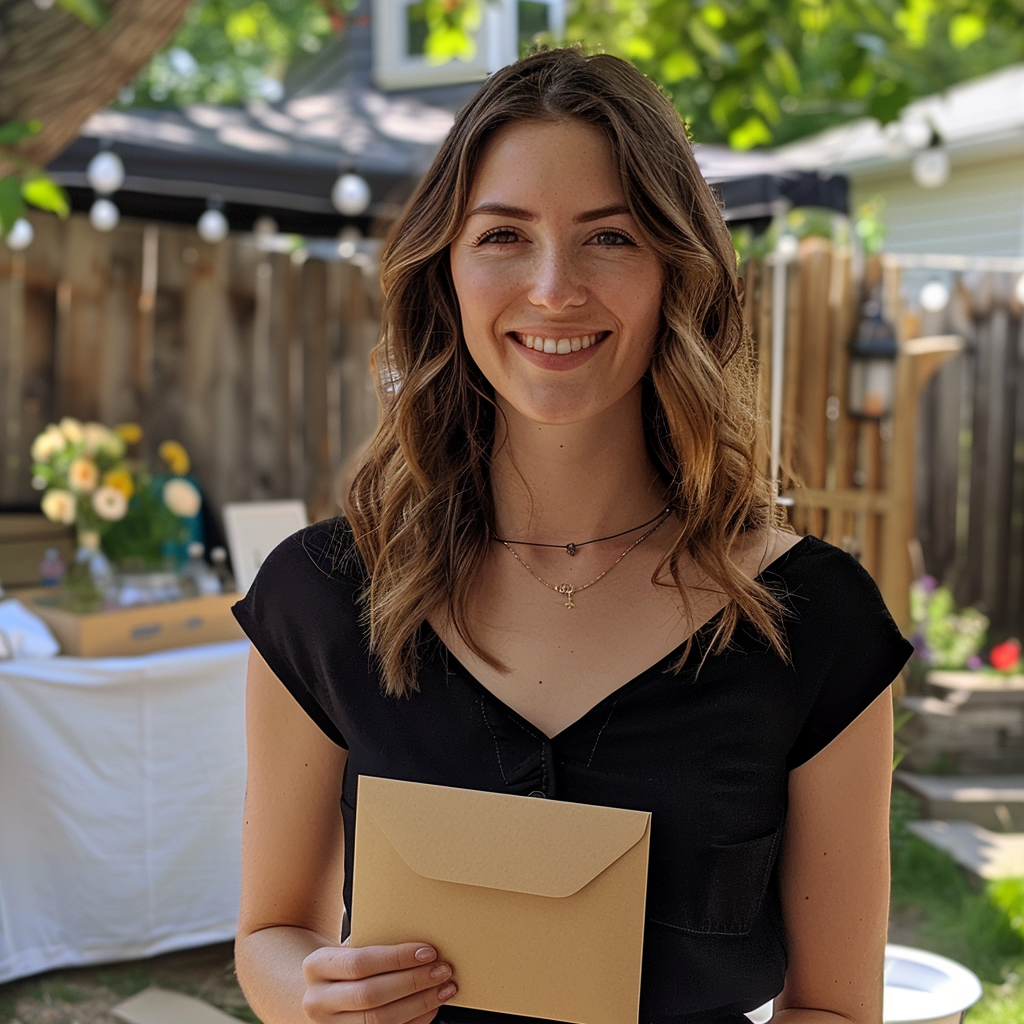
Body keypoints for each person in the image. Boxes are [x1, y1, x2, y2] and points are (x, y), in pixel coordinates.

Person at [231, 46, 912, 1024]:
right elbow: (268, 934)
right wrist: (309, 991)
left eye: (610, 238)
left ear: (675, 270)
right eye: (504, 234)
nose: (553, 288)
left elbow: (838, 1008)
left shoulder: (811, 622)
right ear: (448, 270)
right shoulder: (321, 596)